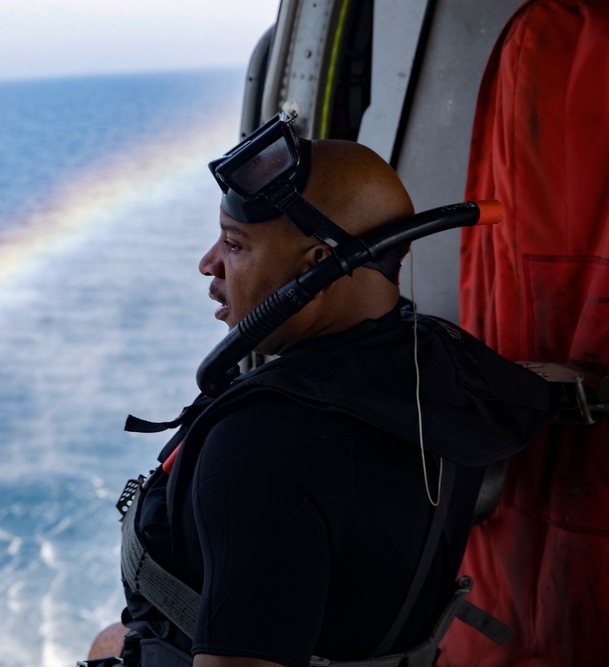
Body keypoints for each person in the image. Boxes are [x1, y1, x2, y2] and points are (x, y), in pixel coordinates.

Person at [85, 116, 555, 667]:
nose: (208, 263)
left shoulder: (259, 444)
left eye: (234, 244)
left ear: (319, 267)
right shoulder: (444, 376)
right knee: (109, 640)